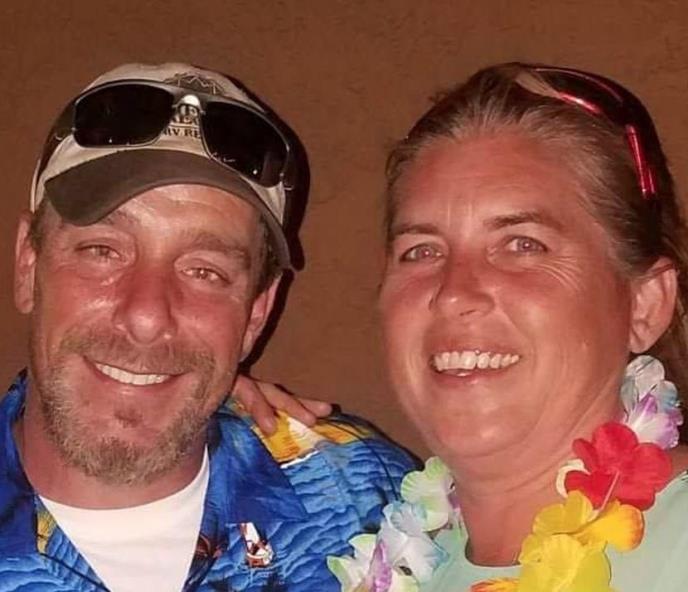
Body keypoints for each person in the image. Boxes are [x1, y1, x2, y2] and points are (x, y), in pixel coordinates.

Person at [245, 63, 688, 592]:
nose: (454, 292)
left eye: (522, 244)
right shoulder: (400, 561)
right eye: (422, 251)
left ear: (644, 305)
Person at [1, 62, 416, 592]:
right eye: (102, 250)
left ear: (256, 313)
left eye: (205, 272)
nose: (147, 316)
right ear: (28, 265)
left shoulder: (368, 503)